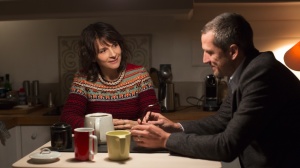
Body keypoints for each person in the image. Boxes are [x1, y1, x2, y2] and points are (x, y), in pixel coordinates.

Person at [131, 12, 300, 168]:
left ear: (233, 51)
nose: (204, 59)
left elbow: (227, 146)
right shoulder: (247, 71)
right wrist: (174, 126)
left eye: (209, 52)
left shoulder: (262, 74)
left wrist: (165, 140)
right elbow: (221, 121)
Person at [60, 22, 160, 130]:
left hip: (136, 139)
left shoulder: (139, 75)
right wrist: (100, 125)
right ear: (93, 57)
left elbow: (154, 116)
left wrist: (138, 125)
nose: (113, 54)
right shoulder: (83, 79)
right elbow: (67, 117)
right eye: (103, 50)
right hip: (98, 143)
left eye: (115, 45)